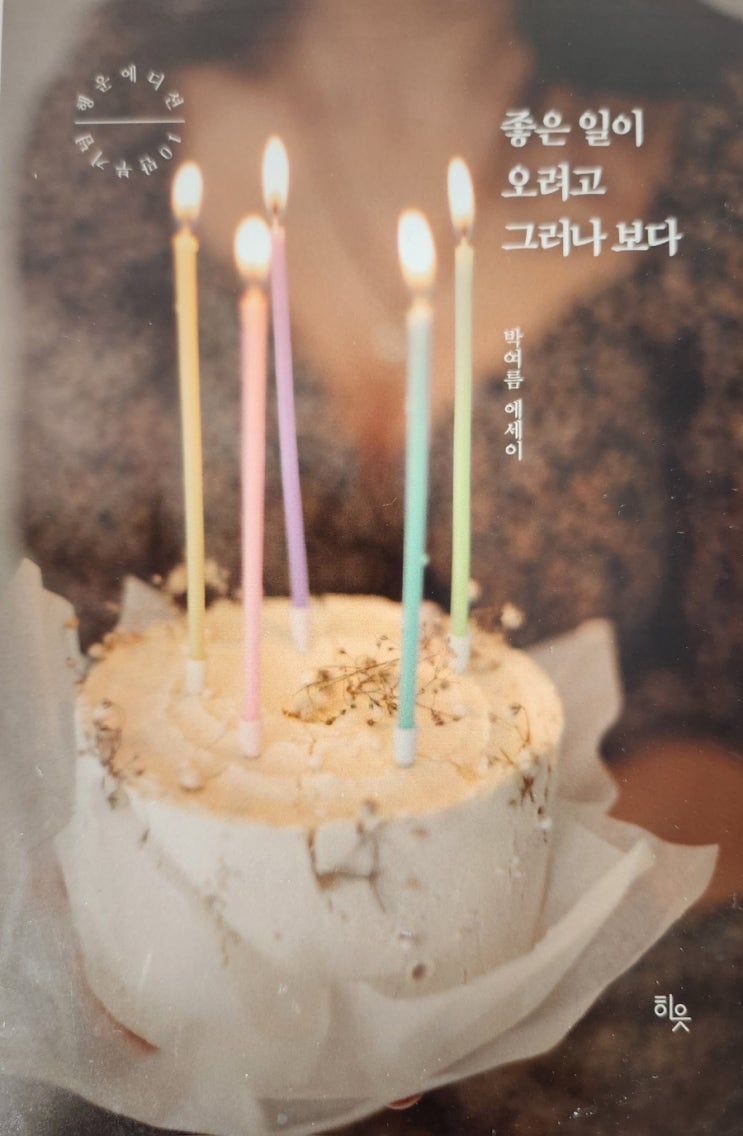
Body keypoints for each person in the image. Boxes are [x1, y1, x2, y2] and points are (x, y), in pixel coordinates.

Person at [14, 1, 743, 1131]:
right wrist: (122, 926)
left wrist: (478, 934)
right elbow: (83, 631)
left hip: (622, 1017)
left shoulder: (708, 134)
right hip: (204, 1028)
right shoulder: (124, 115)